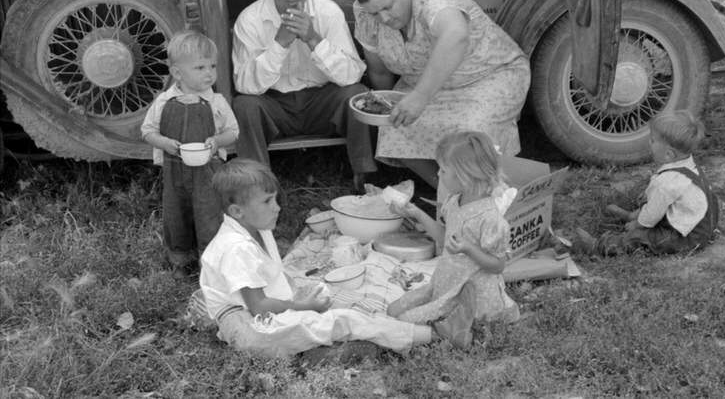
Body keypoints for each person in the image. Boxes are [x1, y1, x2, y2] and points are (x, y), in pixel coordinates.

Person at [199, 159, 432, 358]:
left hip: (258, 314)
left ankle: (319, 346)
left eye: (275, 199)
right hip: (248, 329)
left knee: (324, 301)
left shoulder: (258, 228)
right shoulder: (236, 248)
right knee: (342, 320)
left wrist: (301, 299)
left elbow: (272, 281)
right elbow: (259, 307)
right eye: (267, 201)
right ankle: (426, 335)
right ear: (237, 212)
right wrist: (303, 306)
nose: (277, 208)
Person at [352, 0, 530, 191]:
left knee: (472, 132)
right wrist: (384, 104)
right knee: (396, 124)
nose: (384, 18)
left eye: (388, 7)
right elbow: (379, 69)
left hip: (489, 75)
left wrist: (419, 98)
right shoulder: (367, 14)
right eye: (375, 13)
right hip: (428, 83)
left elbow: (456, 35)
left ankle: (486, 192)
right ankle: (447, 192)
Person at [232, 0, 377, 190]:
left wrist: (313, 39)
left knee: (356, 95)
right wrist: (279, 44)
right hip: (275, 106)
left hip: (322, 103)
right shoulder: (250, 19)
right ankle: (257, 186)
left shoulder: (327, 11)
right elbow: (244, 84)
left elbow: (352, 74)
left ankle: (364, 179)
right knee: (244, 106)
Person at [386, 131, 520, 349]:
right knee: (392, 310)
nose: (438, 174)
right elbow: (444, 238)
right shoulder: (454, 201)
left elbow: (498, 266)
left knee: (403, 322)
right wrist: (418, 214)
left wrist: (469, 249)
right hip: (444, 284)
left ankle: (455, 330)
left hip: (467, 294)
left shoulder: (490, 219)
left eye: (444, 170)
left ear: (465, 176)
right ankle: (449, 326)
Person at [141, 30, 240, 275]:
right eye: (200, 67)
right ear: (177, 73)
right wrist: (163, 142)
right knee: (177, 213)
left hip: (209, 171)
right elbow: (147, 130)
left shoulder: (217, 102)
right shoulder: (164, 101)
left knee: (209, 213)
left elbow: (233, 132)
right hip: (174, 170)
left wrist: (217, 141)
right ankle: (180, 257)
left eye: (212, 66)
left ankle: (212, 261)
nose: (209, 73)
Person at [574, 111, 720, 256]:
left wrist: (639, 225)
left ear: (669, 154)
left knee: (640, 238)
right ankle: (632, 215)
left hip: (685, 238)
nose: (650, 143)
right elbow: (657, 203)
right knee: (653, 199)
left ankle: (599, 246)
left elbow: (653, 213)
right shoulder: (688, 166)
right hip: (696, 224)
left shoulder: (667, 182)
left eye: (653, 140)